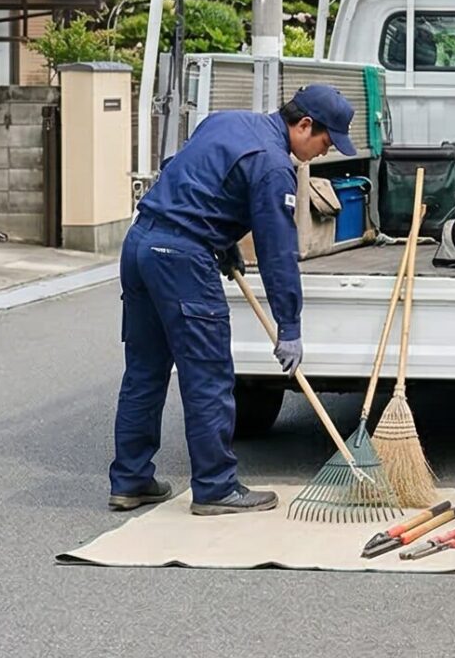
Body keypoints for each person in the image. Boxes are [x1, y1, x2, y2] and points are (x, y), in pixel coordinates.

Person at [108, 83, 354, 516]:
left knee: (144, 373)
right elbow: (279, 253)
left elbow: (179, 169)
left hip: (141, 243)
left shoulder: (227, 120)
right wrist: (289, 327)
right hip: (181, 260)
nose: (324, 152)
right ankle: (216, 488)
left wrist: (220, 236)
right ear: (304, 124)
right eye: (325, 141)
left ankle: (131, 481)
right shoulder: (275, 166)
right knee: (208, 376)